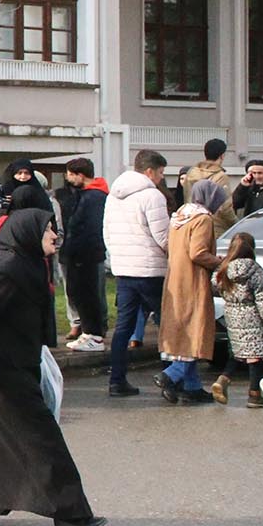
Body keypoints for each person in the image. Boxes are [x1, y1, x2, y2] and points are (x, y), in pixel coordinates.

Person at [0, 207, 104, 526]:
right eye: (48, 231)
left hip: (8, 367)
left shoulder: (25, 263)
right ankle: (72, 514)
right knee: (42, 439)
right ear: (28, 234)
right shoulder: (6, 269)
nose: (55, 236)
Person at [103, 149, 169, 398]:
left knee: (123, 327)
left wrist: (118, 257)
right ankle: (171, 377)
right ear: (150, 171)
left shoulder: (114, 195)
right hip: (151, 269)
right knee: (167, 325)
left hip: (124, 268)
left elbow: (107, 233)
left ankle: (117, 380)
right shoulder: (153, 196)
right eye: (161, 173)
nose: (162, 178)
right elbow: (162, 236)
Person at [161, 180, 228, 404]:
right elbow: (198, 252)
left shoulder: (180, 215)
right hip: (193, 280)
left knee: (183, 329)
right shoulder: (203, 219)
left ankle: (192, 387)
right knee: (195, 328)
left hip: (175, 278)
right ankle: (172, 374)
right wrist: (219, 262)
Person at [216, 231, 263, 409]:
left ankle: (223, 378)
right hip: (254, 317)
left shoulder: (224, 268)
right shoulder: (255, 270)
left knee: (239, 352)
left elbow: (215, 288)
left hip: (232, 316)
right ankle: (254, 395)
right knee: (256, 356)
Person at [59, 158, 109, 354]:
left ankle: (94, 335)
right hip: (80, 253)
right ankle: (89, 332)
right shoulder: (86, 195)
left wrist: (77, 250)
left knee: (87, 295)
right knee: (79, 294)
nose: (68, 178)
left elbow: (88, 227)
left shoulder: (93, 196)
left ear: (80, 175)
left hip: (85, 254)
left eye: (70, 174)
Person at [179, 139, 238, 232]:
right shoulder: (221, 176)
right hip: (216, 226)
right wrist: (236, 223)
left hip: (192, 222)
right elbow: (225, 207)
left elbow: (186, 197)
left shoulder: (191, 173)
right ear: (222, 155)